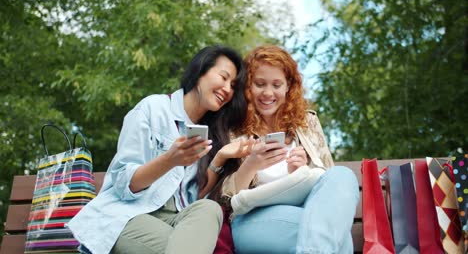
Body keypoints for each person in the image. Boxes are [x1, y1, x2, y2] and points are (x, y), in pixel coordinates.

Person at [67, 45, 248, 254]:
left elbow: (190, 197)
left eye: (233, 85)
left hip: (174, 220)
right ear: (200, 71)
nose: (227, 89)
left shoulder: (210, 133)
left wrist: (220, 157)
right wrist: (169, 160)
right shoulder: (153, 108)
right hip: (128, 216)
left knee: (209, 209)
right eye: (223, 77)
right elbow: (125, 183)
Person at [210, 45, 360, 253]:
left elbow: (329, 186)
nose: (268, 93)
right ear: (247, 86)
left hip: (305, 210)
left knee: (342, 175)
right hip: (253, 219)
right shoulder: (232, 128)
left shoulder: (307, 123)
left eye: (276, 84)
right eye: (260, 84)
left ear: (288, 86)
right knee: (335, 237)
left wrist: (300, 171)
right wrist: (252, 165)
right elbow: (222, 199)